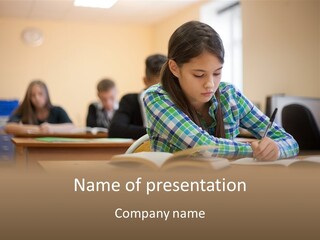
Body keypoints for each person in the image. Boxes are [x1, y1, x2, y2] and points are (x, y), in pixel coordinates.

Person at [143, 21, 299, 161]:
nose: (210, 84)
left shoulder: (229, 95)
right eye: (199, 75)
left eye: (217, 73)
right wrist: (256, 149)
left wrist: (277, 149)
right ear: (174, 68)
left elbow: (289, 141)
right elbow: (202, 147)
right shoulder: (156, 97)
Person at [109, 54, 167, 139]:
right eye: (156, 88)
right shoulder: (129, 101)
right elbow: (115, 130)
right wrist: (161, 133)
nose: (160, 93)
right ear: (145, 81)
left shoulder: (177, 100)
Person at [5, 80, 75, 134]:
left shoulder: (58, 110)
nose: (37, 98)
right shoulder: (24, 110)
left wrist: (52, 128)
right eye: (33, 95)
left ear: (46, 95)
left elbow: (71, 127)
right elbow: (9, 127)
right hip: (29, 148)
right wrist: (38, 129)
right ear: (29, 98)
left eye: (40, 94)